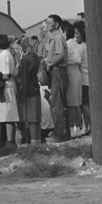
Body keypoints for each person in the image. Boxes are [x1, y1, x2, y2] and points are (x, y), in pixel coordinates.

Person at [43, 14, 69, 142]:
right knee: (58, 103)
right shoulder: (51, 38)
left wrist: (49, 63)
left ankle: (60, 134)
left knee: (57, 104)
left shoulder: (58, 37)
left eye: (49, 22)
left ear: (57, 24)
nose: (47, 25)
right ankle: (62, 131)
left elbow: (60, 55)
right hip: (55, 71)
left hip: (58, 71)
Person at [0, 33, 19, 149]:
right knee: (6, 114)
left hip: (5, 85)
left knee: (9, 115)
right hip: (6, 85)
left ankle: (9, 140)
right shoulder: (6, 54)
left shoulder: (4, 55)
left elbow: (5, 74)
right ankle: (7, 140)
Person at [14, 37, 41, 145]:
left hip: (28, 91)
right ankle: (37, 140)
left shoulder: (25, 61)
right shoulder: (35, 57)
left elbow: (23, 79)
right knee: (36, 119)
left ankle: (33, 142)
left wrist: (21, 94)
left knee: (31, 118)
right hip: (35, 88)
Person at [62, 21, 83, 138]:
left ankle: (74, 127)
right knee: (76, 102)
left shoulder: (68, 44)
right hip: (76, 71)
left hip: (70, 70)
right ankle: (78, 126)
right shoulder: (76, 44)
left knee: (72, 103)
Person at [74, 21, 90, 136]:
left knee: (84, 105)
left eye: (76, 33)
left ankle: (87, 126)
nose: (75, 36)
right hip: (88, 78)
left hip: (83, 78)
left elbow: (77, 62)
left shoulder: (80, 47)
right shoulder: (88, 45)